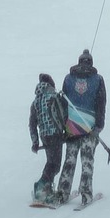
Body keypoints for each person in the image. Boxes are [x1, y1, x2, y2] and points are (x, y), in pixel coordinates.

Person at [56, 48, 107, 206]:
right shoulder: (98, 79)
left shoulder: (68, 78)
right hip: (89, 127)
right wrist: (99, 126)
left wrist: (64, 125)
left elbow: (62, 104)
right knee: (87, 161)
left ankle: (62, 193)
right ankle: (85, 194)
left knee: (69, 160)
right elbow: (101, 103)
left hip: (72, 127)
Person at [29, 71, 67, 205]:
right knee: (55, 165)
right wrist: (66, 131)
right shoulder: (54, 97)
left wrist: (35, 141)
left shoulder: (35, 102)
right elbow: (63, 114)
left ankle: (45, 188)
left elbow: (32, 123)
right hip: (55, 134)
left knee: (50, 162)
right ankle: (41, 187)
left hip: (44, 136)